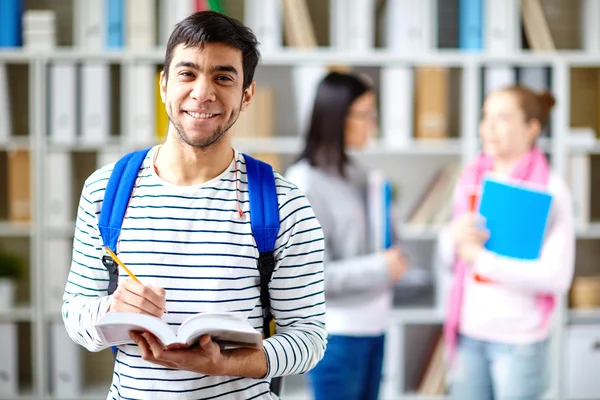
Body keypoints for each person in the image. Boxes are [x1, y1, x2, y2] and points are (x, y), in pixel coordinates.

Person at [61, 11, 326, 400]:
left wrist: (226, 364)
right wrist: (110, 309)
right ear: (164, 85)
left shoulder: (286, 205)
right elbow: (75, 315)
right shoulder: (105, 190)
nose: (203, 93)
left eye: (223, 77)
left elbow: (309, 339)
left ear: (246, 94)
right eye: (188, 74)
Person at [437, 84, 575, 400]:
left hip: (519, 341)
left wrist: (481, 259)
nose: (488, 127)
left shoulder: (551, 191)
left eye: (502, 118)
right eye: (486, 117)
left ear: (532, 128)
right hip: (468, 333)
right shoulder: (471, 178)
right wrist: (452, 236)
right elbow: (447, 260)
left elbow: (556, 278)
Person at [285, 72, 408, 400]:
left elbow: (382, 242)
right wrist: (381, 268)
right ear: (339, 117)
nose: (373, 124)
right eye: (366, 114)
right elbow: (310, 276)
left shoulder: (361, 174)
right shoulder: (304, 182)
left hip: (375, 325)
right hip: (336, 335)